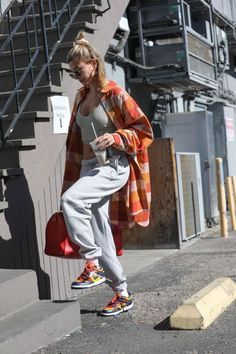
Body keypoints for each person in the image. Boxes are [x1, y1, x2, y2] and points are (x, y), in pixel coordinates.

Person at [61, 31, 153, 317]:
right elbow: (76, 141)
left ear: (93, 62)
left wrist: (116, 138)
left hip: (113, 166)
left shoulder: (113, 93)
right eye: (72, 73)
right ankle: (122, 294)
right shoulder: (81, 96)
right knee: (102, 236)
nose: (76, 77)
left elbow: (143, 129)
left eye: (79, 71)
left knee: (70, 201)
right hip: (90, 169)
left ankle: (92, 264)